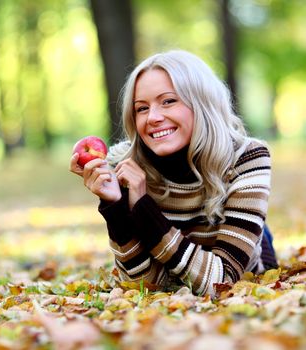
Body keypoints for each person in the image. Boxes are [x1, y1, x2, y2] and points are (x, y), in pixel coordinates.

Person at [69, 49, 278, 296]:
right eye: (142, 108)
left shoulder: (247, 157)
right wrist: (115, 207)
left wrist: (145, 210)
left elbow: (220, 284)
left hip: (246, 258)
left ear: (201, 102)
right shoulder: (124, 165)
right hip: (187, 263)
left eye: (168, 101)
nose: (154, 117)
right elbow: (144, 285)